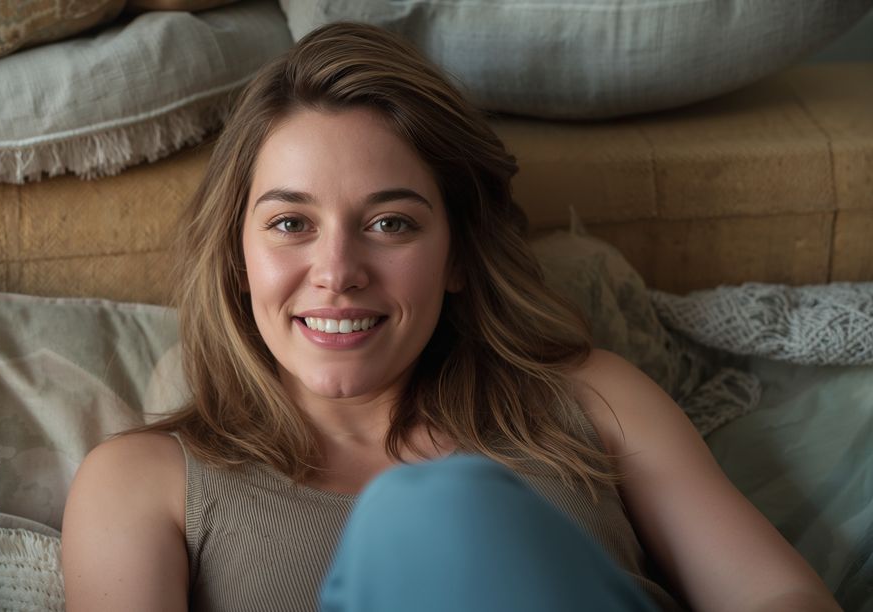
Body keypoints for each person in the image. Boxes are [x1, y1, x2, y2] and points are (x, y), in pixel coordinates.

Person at [61, 22, 840, 612]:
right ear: (238, 257)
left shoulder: (591, 400)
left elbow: (781, 597)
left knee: (432, 511)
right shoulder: (143, 484)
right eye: (291, 224)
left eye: (390, 223)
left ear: (458, 255)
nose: (337, 271)